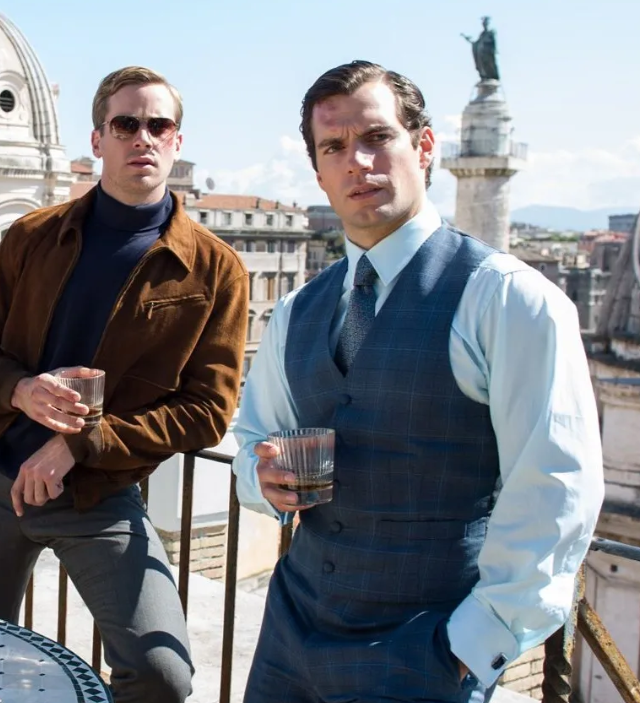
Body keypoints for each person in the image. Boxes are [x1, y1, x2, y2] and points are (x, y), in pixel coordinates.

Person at [233, 60, 604, 702]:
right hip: (289, 638)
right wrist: (259, 479)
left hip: (425, 651)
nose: (358, 162)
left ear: (424, 147)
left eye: (377, 137)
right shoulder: (298, 311)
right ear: (318, 171)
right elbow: (251, 434)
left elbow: (555, 486)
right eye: (334, 147)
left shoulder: (511, 300)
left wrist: (474, 642)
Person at [0, 66, 250, 703]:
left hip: (99, 493)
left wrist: (80, 444)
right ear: (98, 138)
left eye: (158, 125)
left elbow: (208, 411)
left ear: (177, 141)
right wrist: (22, 390)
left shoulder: (215, 269)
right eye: (126, 124)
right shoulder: (33, 236)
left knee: (161, 674)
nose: (144, 137)